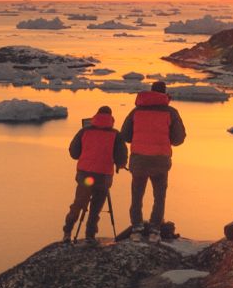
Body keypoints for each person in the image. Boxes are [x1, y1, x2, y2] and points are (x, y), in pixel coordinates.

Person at [122, 79, 185, 237]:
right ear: (165, 94)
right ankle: (155, 229)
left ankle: (136, 227)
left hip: (139, 160)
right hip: (160, 160)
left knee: (137, 195)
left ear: (150, 92)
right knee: (159, 196)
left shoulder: (136, 112)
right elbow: (178, 139)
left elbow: (125, 135)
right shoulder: (171, 113)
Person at [64, 104, 121, 242]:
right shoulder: (115, 134)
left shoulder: (84, 131)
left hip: (85, 175)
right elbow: (121, 155)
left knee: (79, 203)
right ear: (111, 118)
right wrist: (119, 164)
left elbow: (73, 152)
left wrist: (86, 155)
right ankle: (90, 235)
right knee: (96, 207)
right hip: (104, 176)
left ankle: (67, 232)